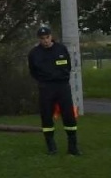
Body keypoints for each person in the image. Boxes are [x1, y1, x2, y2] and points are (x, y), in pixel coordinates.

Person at [29, 25, 79, 155]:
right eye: (42, 38)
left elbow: (67, 66)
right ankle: (51, 147)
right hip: (46, 88)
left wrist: (60, 78)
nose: (45, 40)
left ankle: (72, 147)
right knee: (46, 116)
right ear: (39, 39)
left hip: (62, 87)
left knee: (69, 115)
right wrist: (44, 81)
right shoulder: (34, 53)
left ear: (51, 36)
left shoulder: (61, 49)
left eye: (47, 37)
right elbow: (33, 71)